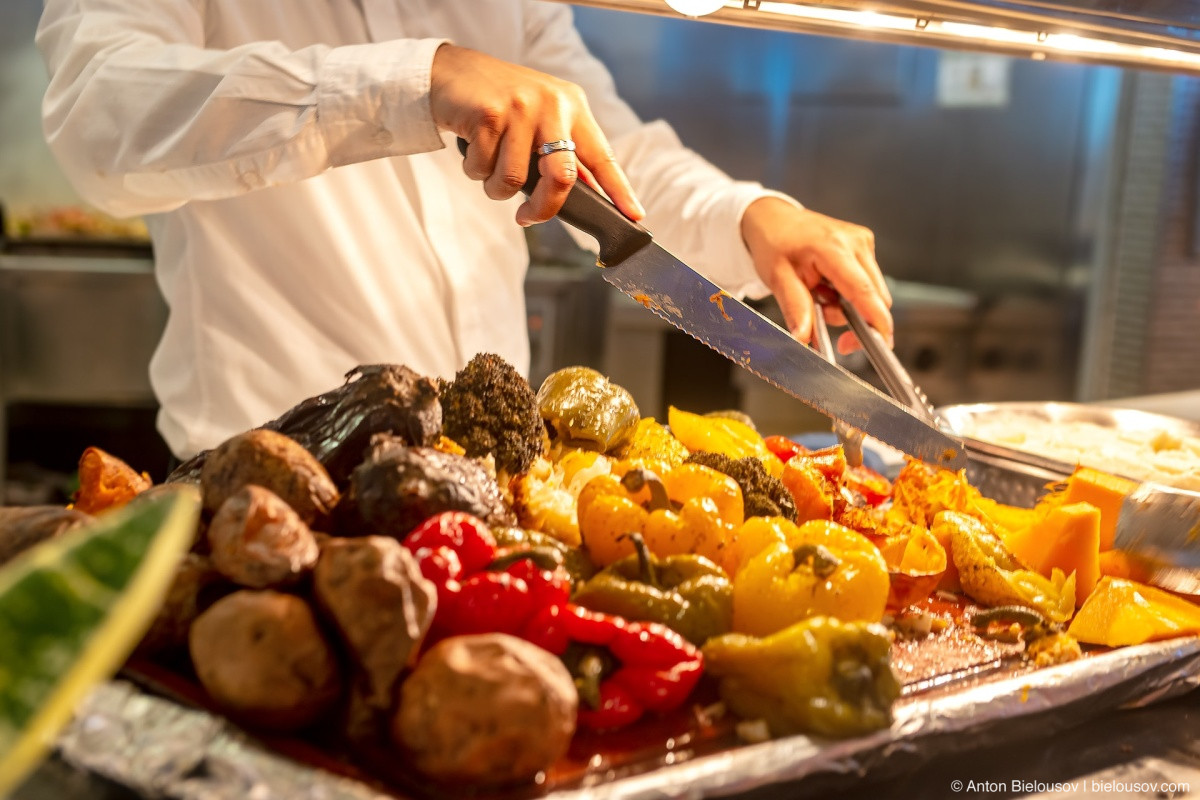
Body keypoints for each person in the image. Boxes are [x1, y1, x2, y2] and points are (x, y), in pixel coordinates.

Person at [37, 0, 893, 461]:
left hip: (491, 486)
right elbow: (97, 113)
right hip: (276, 498)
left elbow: (604, 146)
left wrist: (749, 214)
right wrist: (417, 81)